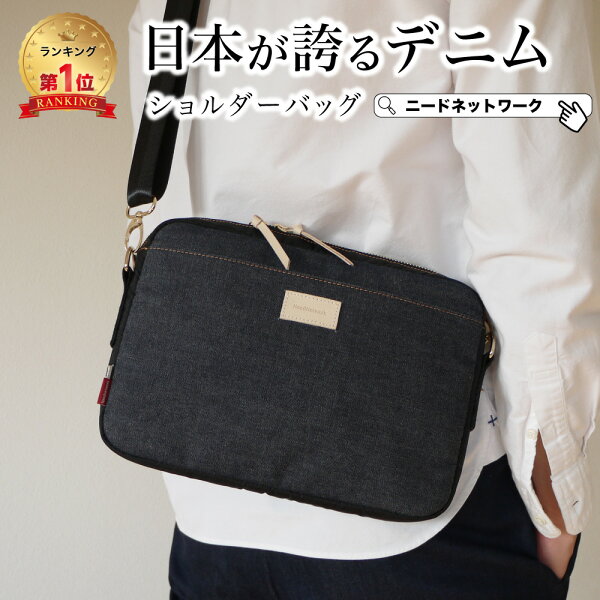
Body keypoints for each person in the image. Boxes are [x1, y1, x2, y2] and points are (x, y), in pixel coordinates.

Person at [128, 1, 599, 598]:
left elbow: (176, 216)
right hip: (428, 514)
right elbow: (538, 234)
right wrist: (556, 501)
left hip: (214, 508)